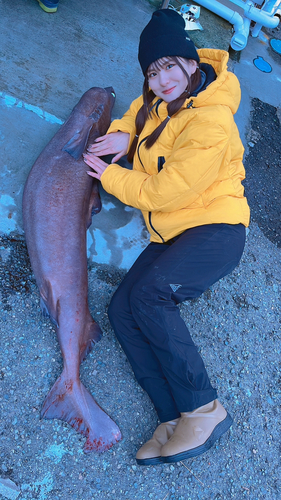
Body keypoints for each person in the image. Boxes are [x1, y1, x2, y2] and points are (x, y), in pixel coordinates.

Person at [83, 8, 250, 466]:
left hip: (216, 229)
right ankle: (171, 415)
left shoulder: (211, 120)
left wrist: (110, 175)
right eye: (152, 72)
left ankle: (204, 408)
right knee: (122, 308)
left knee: (152, 296)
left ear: (191, 63)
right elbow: (139, 112)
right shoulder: (161, 99)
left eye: (170, 67)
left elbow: (164, 191)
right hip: (176, 232)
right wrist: (122, 134)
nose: (161, 80)